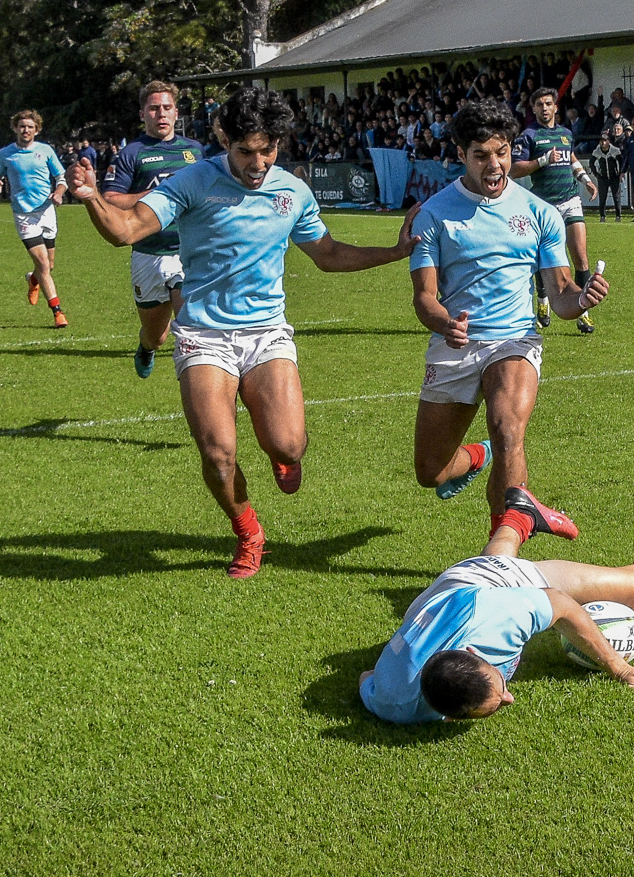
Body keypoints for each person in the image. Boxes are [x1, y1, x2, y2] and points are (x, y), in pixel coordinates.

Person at [67, 86, 416, 579]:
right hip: (203, 334)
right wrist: (89, 198)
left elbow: (328, 254)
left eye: (268, 150)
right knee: (218, 453)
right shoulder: (191, 181)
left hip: (266, 333)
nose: (258, 163)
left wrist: (394, 252)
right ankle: (249, 531)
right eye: (246, 151)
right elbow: (126, 230)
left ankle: (279, 448)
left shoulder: (292, 192)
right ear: (223, 138)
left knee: (289, 446)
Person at [357, 501, 634, 723]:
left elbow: (560, 605)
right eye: (500, 700)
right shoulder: (392, 702)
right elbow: (366, 678)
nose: (509, 695)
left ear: (474, 651)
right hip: (447, 590)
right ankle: (519, 515)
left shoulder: (501, 620)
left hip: (492, 585)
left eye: (499, 688)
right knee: (491, 567)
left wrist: (618, 667)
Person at [407, 100, 607, 543]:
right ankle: (475, 458)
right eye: (481, 155)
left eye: (502, 152)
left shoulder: (541, 213)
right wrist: (444, 323)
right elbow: (424, 297)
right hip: (456, 344)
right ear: (461, 154)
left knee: (507, 429)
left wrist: (583, 295)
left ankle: (504, 552)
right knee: (430, 471)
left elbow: (560, 296)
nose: (495, 165)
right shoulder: (433, 215)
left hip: (514, 340)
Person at [103, 81, 205, 378]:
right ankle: (146, 348)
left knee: (190, 324)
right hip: (149, 253)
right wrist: (157, 194)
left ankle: (200, 378)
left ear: (176, 113)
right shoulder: (131, 154)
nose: (161, 114)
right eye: (154, 108)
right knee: (156, 336)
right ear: (142, 114)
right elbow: (111, 199)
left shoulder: (195, 151)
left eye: (167, 108)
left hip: (187, 252)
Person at [511, 88, 598, 335]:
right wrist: (542, 160)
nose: (544, 108)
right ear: (534, 109)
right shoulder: (528, 136)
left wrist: (585, 179)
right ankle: (543, 302)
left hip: (570, 200)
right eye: (539, 104)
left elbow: (570, 158)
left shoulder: (565, 133)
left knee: (580, 257)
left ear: (556, 107)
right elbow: (515, 169)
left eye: (548, 103)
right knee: (545, 258)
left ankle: (583, 312)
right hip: (544, 206)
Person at [0, 109, 69, 328]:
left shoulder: (45, 151)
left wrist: (59, 193)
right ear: (15, 128)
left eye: (30, 127)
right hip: (24, 215)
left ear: (37, 130)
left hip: (46, 212)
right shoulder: (6, 154)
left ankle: (33, 279)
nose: (26, 130)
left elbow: (61, 178)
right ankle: (57, 312)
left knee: (49, 266)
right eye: (22, 126)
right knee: (43, 263)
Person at [589, 131, 624, 221]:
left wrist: (620, 173)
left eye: (605, 140)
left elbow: (621, 162)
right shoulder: (596, 151)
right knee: (602, 198)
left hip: (614, 177)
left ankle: (618, 216)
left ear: (608, 141)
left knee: (616, 197)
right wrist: (596, 174)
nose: (603, 143)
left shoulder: (615, 150)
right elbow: (591, 163)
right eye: (601, 141)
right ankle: (602, 216)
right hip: (603, 178)